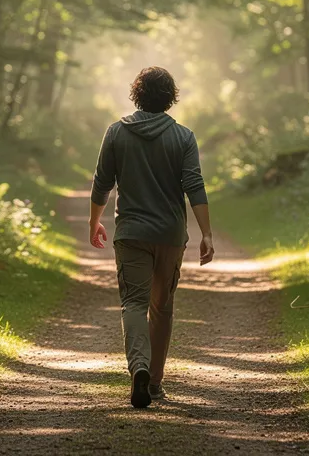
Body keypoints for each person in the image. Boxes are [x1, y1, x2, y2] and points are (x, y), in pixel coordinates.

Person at [89, 66, 214, 409]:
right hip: (170, 236)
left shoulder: (116, 132)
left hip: (131, 234)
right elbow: (194, 186)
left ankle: (139, 369)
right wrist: (206, 233)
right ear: (171, 98)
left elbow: (102, 183)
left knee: (134, 304)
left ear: (137, 95)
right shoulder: (184, 137)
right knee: (163, 308)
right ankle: (155, 383)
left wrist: (94, 222)